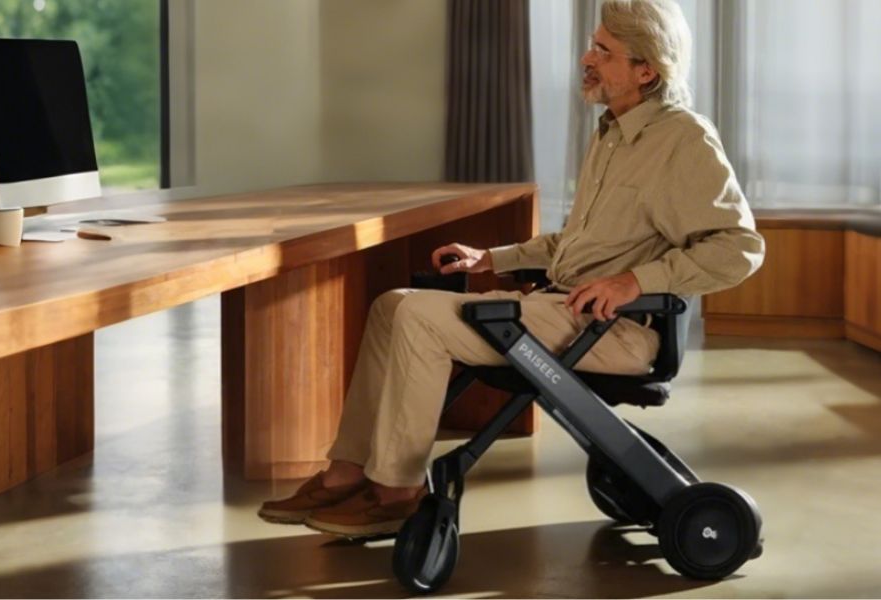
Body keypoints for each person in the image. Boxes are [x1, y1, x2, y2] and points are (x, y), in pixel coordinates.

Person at [259, 0, 765, 539]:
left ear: (647, 70)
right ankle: (346, 473)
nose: (585, 58)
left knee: (420, 318)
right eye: (591, 44)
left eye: (603, 51)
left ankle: (397, 492)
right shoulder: (611, 134)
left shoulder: (683, 139)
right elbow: (575, 243)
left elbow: (739, 248)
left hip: (615, 330)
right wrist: (490, 260)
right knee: (392, 305)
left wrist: (635, 282)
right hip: (563, 310)